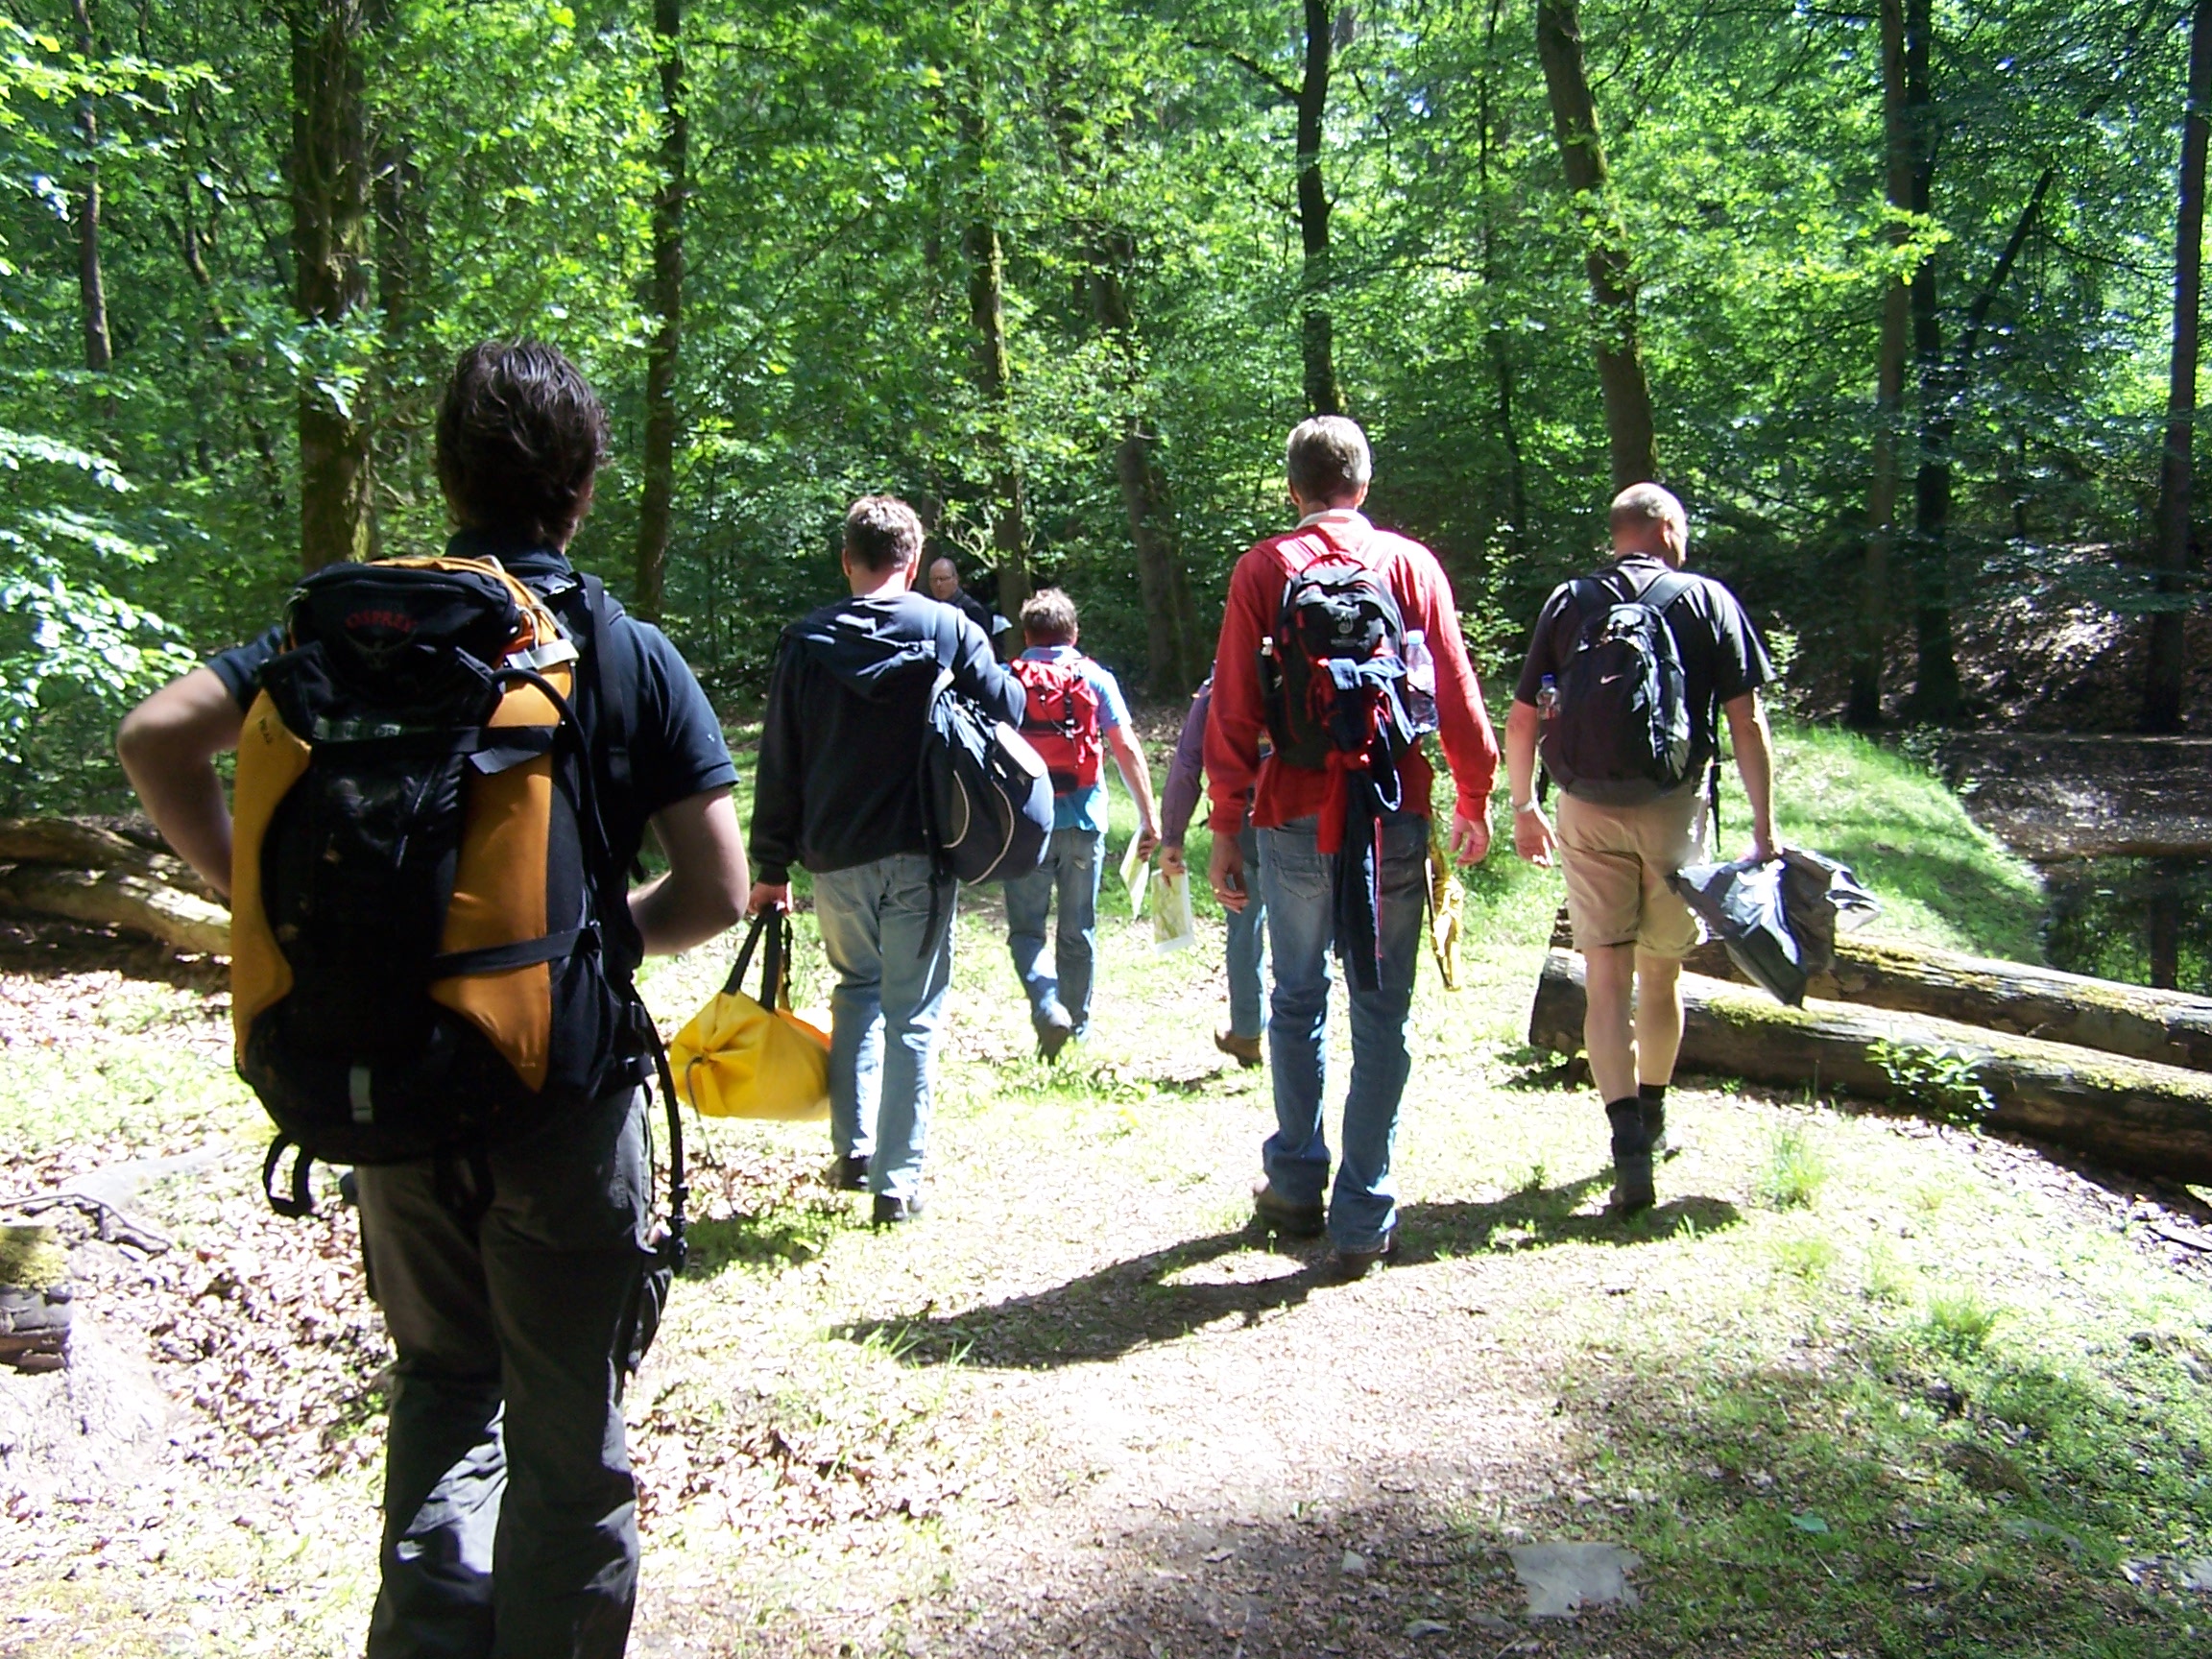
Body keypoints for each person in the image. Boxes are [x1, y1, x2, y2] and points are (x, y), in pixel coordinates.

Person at [115, 341, 749, 1658]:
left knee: (446, 1388)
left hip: (386, 1080)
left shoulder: (346, 631)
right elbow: (715, 892)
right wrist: (585, 948)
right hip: (561, 1103)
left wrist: (251, 895)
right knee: (568, 1445)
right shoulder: (621, 650)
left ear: (448, 473)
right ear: (581, 485)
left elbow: (155, 737)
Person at [1205, 416, 1499, 1277]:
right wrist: (1474, 794)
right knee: (1381, 1009)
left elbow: (1233, 706)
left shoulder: (1263, 568)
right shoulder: (1410, 566)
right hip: (1392, 810)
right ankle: (1363, 1211)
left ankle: (1296, 1182)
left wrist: (1227, 823)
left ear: (1293, 489)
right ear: (1363, 486)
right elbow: (1452, 685)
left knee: (1295, 999)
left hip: (1290, 811)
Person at [748, 496, 1022, 1223]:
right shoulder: (947, 628)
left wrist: (770, 867)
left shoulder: (803, 643)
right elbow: (1010, 709)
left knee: (855, 994)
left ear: (847, 561)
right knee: (914, 1015)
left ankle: (853, 1151)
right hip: (921, 852)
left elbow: (779, 760)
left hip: (833, 858)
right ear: (913, 557)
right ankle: (897, 1185)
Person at [1504, 481, 1776, 1214]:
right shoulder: (1707, 600)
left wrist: (1525, 805)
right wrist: (1764, 826)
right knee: (1660, 980)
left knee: (1603, 982)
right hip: (1673, 810)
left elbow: (1525, 715)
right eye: (1682, 527)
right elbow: (1746, 723)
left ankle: (1624, 1144)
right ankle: (1652, 1124)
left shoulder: (1570, 600)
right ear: (1662, 529)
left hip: (1584, 809)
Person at [1003, 589, 1162, 1059]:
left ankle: (1047, 1006)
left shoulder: (1008, 680)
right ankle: (1076, 1033)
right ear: (1074, 633)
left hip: (1026, 827)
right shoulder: (1093, 677)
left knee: (1027, 930)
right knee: (1079, 931)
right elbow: (1127, 748)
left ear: (1028, 634)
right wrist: (1149, 815)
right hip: (1084, 823)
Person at [1159, 673, 1267, 1067]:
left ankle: (1248, 1031)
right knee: (1307, 935)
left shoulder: (1220, 685)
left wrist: (1172, 837)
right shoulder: (1311, 663)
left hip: (1242, 820)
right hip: (1311, 814)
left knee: (1244, 925)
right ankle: (1302, 1042)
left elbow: (1188, 763)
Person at [926, 554, 998, 637]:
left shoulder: (972, 610)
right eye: (934, 580)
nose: (938, 584)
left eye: (943, 579)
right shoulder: (929, 609)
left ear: (955, 579)